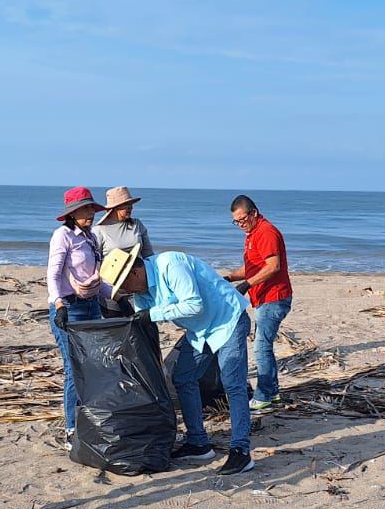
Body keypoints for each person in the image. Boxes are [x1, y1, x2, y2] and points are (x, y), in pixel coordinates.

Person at [106, 249, 256, 475]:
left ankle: (241, 452)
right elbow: (143, 319)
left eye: (125, 285)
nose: (126, 291)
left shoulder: (170, 264)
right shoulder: (140, 293)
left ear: (135, 272)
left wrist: (151, 315)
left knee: (233, 384)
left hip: (227, 320)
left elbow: (193, 304)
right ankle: (198, 443)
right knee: (183, 377)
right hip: (199, 331)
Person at [47, 186, 107, 449]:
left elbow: (97, 278)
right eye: (84, 210)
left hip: (92, 305)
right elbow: (52, 274)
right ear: (72, 213)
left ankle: (88, 420)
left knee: (92, 366)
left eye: (91, 209)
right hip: (69, 308)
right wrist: (59, 304)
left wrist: (119, 298)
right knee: (74, 368)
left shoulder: (91, 237)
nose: (90, 214)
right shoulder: (63, 236)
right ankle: (71, 428)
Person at [222, 195, 293, 411]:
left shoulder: (266, 232)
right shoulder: (252, 233)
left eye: (243, 219)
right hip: (263, 297)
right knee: (264, 345)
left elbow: (273, 266)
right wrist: (230, 277)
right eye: (236, 222)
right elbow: (254, 266)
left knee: (261, 347)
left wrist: (246, 285)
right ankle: (272, 392)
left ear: (253, 213)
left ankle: (263, 396)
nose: (240, 225)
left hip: (274, 297)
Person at [92, 186, 154, 316]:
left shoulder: (137, 224)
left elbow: (149, 256)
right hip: (113, 290)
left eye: (131, 204)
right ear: (114, 207)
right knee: (117, 330)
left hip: (139, 287)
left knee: (143, 329)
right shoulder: (99, 230)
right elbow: (94, 264)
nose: (130, 208)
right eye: (126, 205)